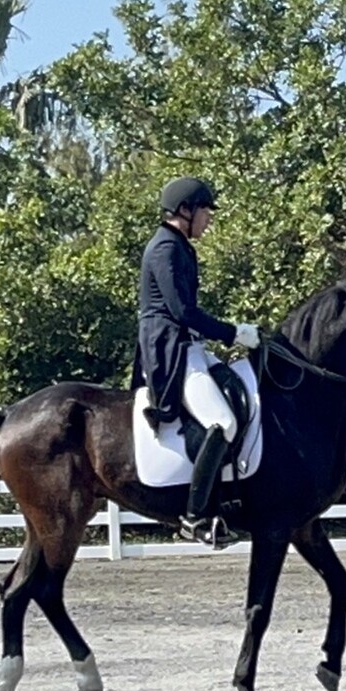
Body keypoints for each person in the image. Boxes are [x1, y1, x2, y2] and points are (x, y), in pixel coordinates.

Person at [131, 176, 260, 547]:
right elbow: (182, 310)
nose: (208, 220)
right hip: (171, 349)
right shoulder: (165, 249)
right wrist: (232, 332)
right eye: (205, 212)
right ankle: (195, 515)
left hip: (189, 345)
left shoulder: (181, 247)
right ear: (185, 211)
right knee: (222, 421)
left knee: (237, 392)